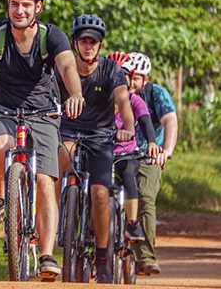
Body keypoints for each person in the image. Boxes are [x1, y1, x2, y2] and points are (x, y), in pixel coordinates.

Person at [0, 0, 85, 279]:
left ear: (37, 7)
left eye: (26, 4)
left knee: (44, 181)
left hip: (43, 113)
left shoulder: (51, 36)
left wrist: (75, 93)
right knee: (1, 146)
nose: (19, 10)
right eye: (14, 4)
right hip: (3, 109)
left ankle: (47, 254)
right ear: (8, 5)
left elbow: (66, 65)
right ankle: (0, 200)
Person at [54, 15, 135, 284]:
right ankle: (56, 216)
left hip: (101, 136)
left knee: (100, 193)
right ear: (75, 43)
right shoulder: (63, 68)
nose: (89, 47)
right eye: (84, 41)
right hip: (69, 130)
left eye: (94, 42)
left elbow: (123, 101)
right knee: (61, 157)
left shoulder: (112, 70)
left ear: (100, 45)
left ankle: (102, 256)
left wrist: (128, 128)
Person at [127, 52, 178, 276]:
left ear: (145, 79)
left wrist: (166, 151)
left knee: (145, 198)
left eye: (135, 78)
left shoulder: (156, 94)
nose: (131, 82)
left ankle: (146, 257)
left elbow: (170, 120)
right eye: (127, 76)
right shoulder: (117, 93)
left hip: (149, 156)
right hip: (119, 155)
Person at [108, 51, 161, 243]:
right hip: (102, 152)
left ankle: (132, 224)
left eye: (123, 76)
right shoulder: (99, 99)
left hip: (126, 153)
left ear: (130, 80)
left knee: (129, 173)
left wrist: (152, 143)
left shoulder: (134, 101)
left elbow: (146, 122)